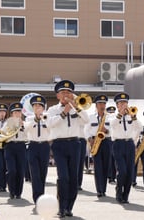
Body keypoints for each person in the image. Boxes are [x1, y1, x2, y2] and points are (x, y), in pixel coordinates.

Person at [46, 80, 89, 218]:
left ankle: (69, 207)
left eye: (69, 92)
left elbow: (86, 120)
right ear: (58, 96)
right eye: (63, 92)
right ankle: (61, 206)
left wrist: (76, 107)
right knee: (63, 177)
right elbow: (50, 124)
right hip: (59, 144)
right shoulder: (53, 109)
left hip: (75, 144)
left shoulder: (77, 107)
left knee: (74, 178)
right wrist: (64, 112)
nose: (66, 95)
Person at [110, 93, 142, 204]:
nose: (124, 105)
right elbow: (112, 126)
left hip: (129, 144)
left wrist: (134, 117)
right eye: (121, 103)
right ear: (117, 105)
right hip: (118, 144)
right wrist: (119, 114)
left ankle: (126, 195)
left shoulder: (131, 116)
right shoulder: (112, 115)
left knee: (129, 172)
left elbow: (140, 127)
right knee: (122, 171)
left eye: (125, 103)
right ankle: (119, 191)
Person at [24, 95, 51, 203]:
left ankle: (42, 194)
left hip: (44, 145)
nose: (37, 108)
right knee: (34, 173)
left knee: (43, 172)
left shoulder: (48, 117)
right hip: (33, 146)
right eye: (35, 106)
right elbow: (27, 128)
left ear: (43, 108)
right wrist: (36, 119)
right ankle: (37, 198)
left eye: (39, 106)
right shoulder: (29, 118)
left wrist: (43, 118)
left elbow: (51, 129)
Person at [86, 95, 112, 197]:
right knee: (98, 167)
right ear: (96, 105)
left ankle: (104, 189)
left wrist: (107, 130)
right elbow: (86, 130)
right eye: (100, 103)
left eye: (104, 103)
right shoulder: (90, 117)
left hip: (106, 141)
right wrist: (89, 139)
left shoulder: (110, 117)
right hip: (95, 141)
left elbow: (113, 131)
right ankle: (99, 190)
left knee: (106, 166)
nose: (102, 105)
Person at [3, 102, 27, 199]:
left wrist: (23, 126)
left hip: (21, 146)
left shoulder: (25, 123)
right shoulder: (7, 123)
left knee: (20, 171)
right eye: (15, 112)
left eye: (19, 112)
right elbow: (3, 134)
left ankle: (18, 192)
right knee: (12, 170)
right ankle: (11, 190)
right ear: (12, 114)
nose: (17, 114)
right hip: (10, 146)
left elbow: (28, 136)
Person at [106, 106, 117, 184]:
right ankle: (109, 176)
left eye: (113, 112)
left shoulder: (116, 118)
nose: (111, 113)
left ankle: (112, 177)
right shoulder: (107, 118)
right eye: (110, 112)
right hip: (109, 140)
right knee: (109, 159)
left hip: (115, 140)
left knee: (114, 160)